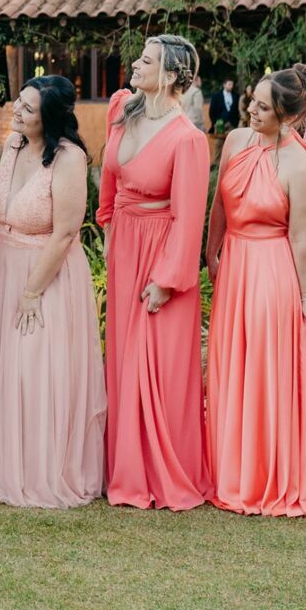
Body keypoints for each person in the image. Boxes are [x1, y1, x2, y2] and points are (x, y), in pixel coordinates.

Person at [205, 64, 306, 517]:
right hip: (234, 266)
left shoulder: (300, 165)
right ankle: (226, 467)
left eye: (263, 107)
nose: (252, 110)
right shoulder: (237, 141)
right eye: (252, 101)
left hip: (269, 271)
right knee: (229, 364)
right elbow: (220, 200)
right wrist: (211, 251)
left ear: (289, 117)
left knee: (259, 369)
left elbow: (300, 239)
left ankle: (259, 474)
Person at [0, 74, 104, 508]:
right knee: (10, 366)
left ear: (49, 116)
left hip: (46, 272)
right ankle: (9, 462)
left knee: (37, 368)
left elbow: (66, 231)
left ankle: (44, 470)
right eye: (19, 102)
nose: (18, 111)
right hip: (9, 264)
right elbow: (0, 211)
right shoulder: (13, 145)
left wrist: (31, 291)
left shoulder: (69, 158)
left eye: (28, 109)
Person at [100, 36, 211, 510]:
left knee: (157, 364)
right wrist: (107, 226)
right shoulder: (122, 110)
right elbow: (108, 180)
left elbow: (190, 218)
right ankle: (122, 466)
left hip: (161, 252)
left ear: (168, 76)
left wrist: (167, 279)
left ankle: (160, 471)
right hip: (123, 244)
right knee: (123, 357)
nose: (135, 64)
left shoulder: (188, 138)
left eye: (146, 60)